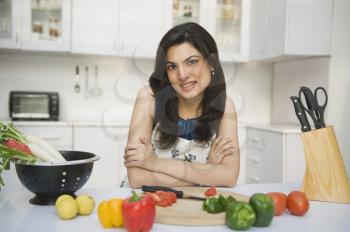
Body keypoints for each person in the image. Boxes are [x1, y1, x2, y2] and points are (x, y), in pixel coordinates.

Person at [123, 22, 240, 188]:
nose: (182, 75)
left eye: (191, 62)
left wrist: (154, 163)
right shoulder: (149, 99)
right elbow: (136, 178)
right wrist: (208, 172)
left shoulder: (225, 107)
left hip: (193, 205)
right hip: (146, 202)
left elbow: (228, 177)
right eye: (172, 66)